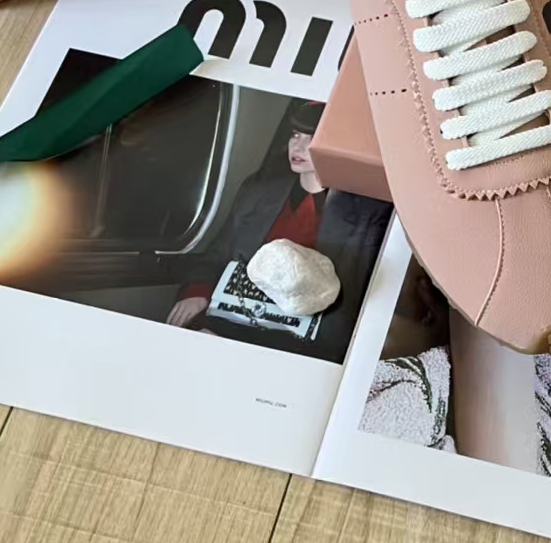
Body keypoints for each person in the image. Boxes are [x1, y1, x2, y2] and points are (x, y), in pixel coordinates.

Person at [165, 100, 392, 363]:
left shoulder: (367, 213)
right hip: (235, 317)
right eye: (295, 135)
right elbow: (217, 256)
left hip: (306, 336)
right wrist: (197, 292)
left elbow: (358, 296)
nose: (298, 146)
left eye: (311, 137)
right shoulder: (258, 192)